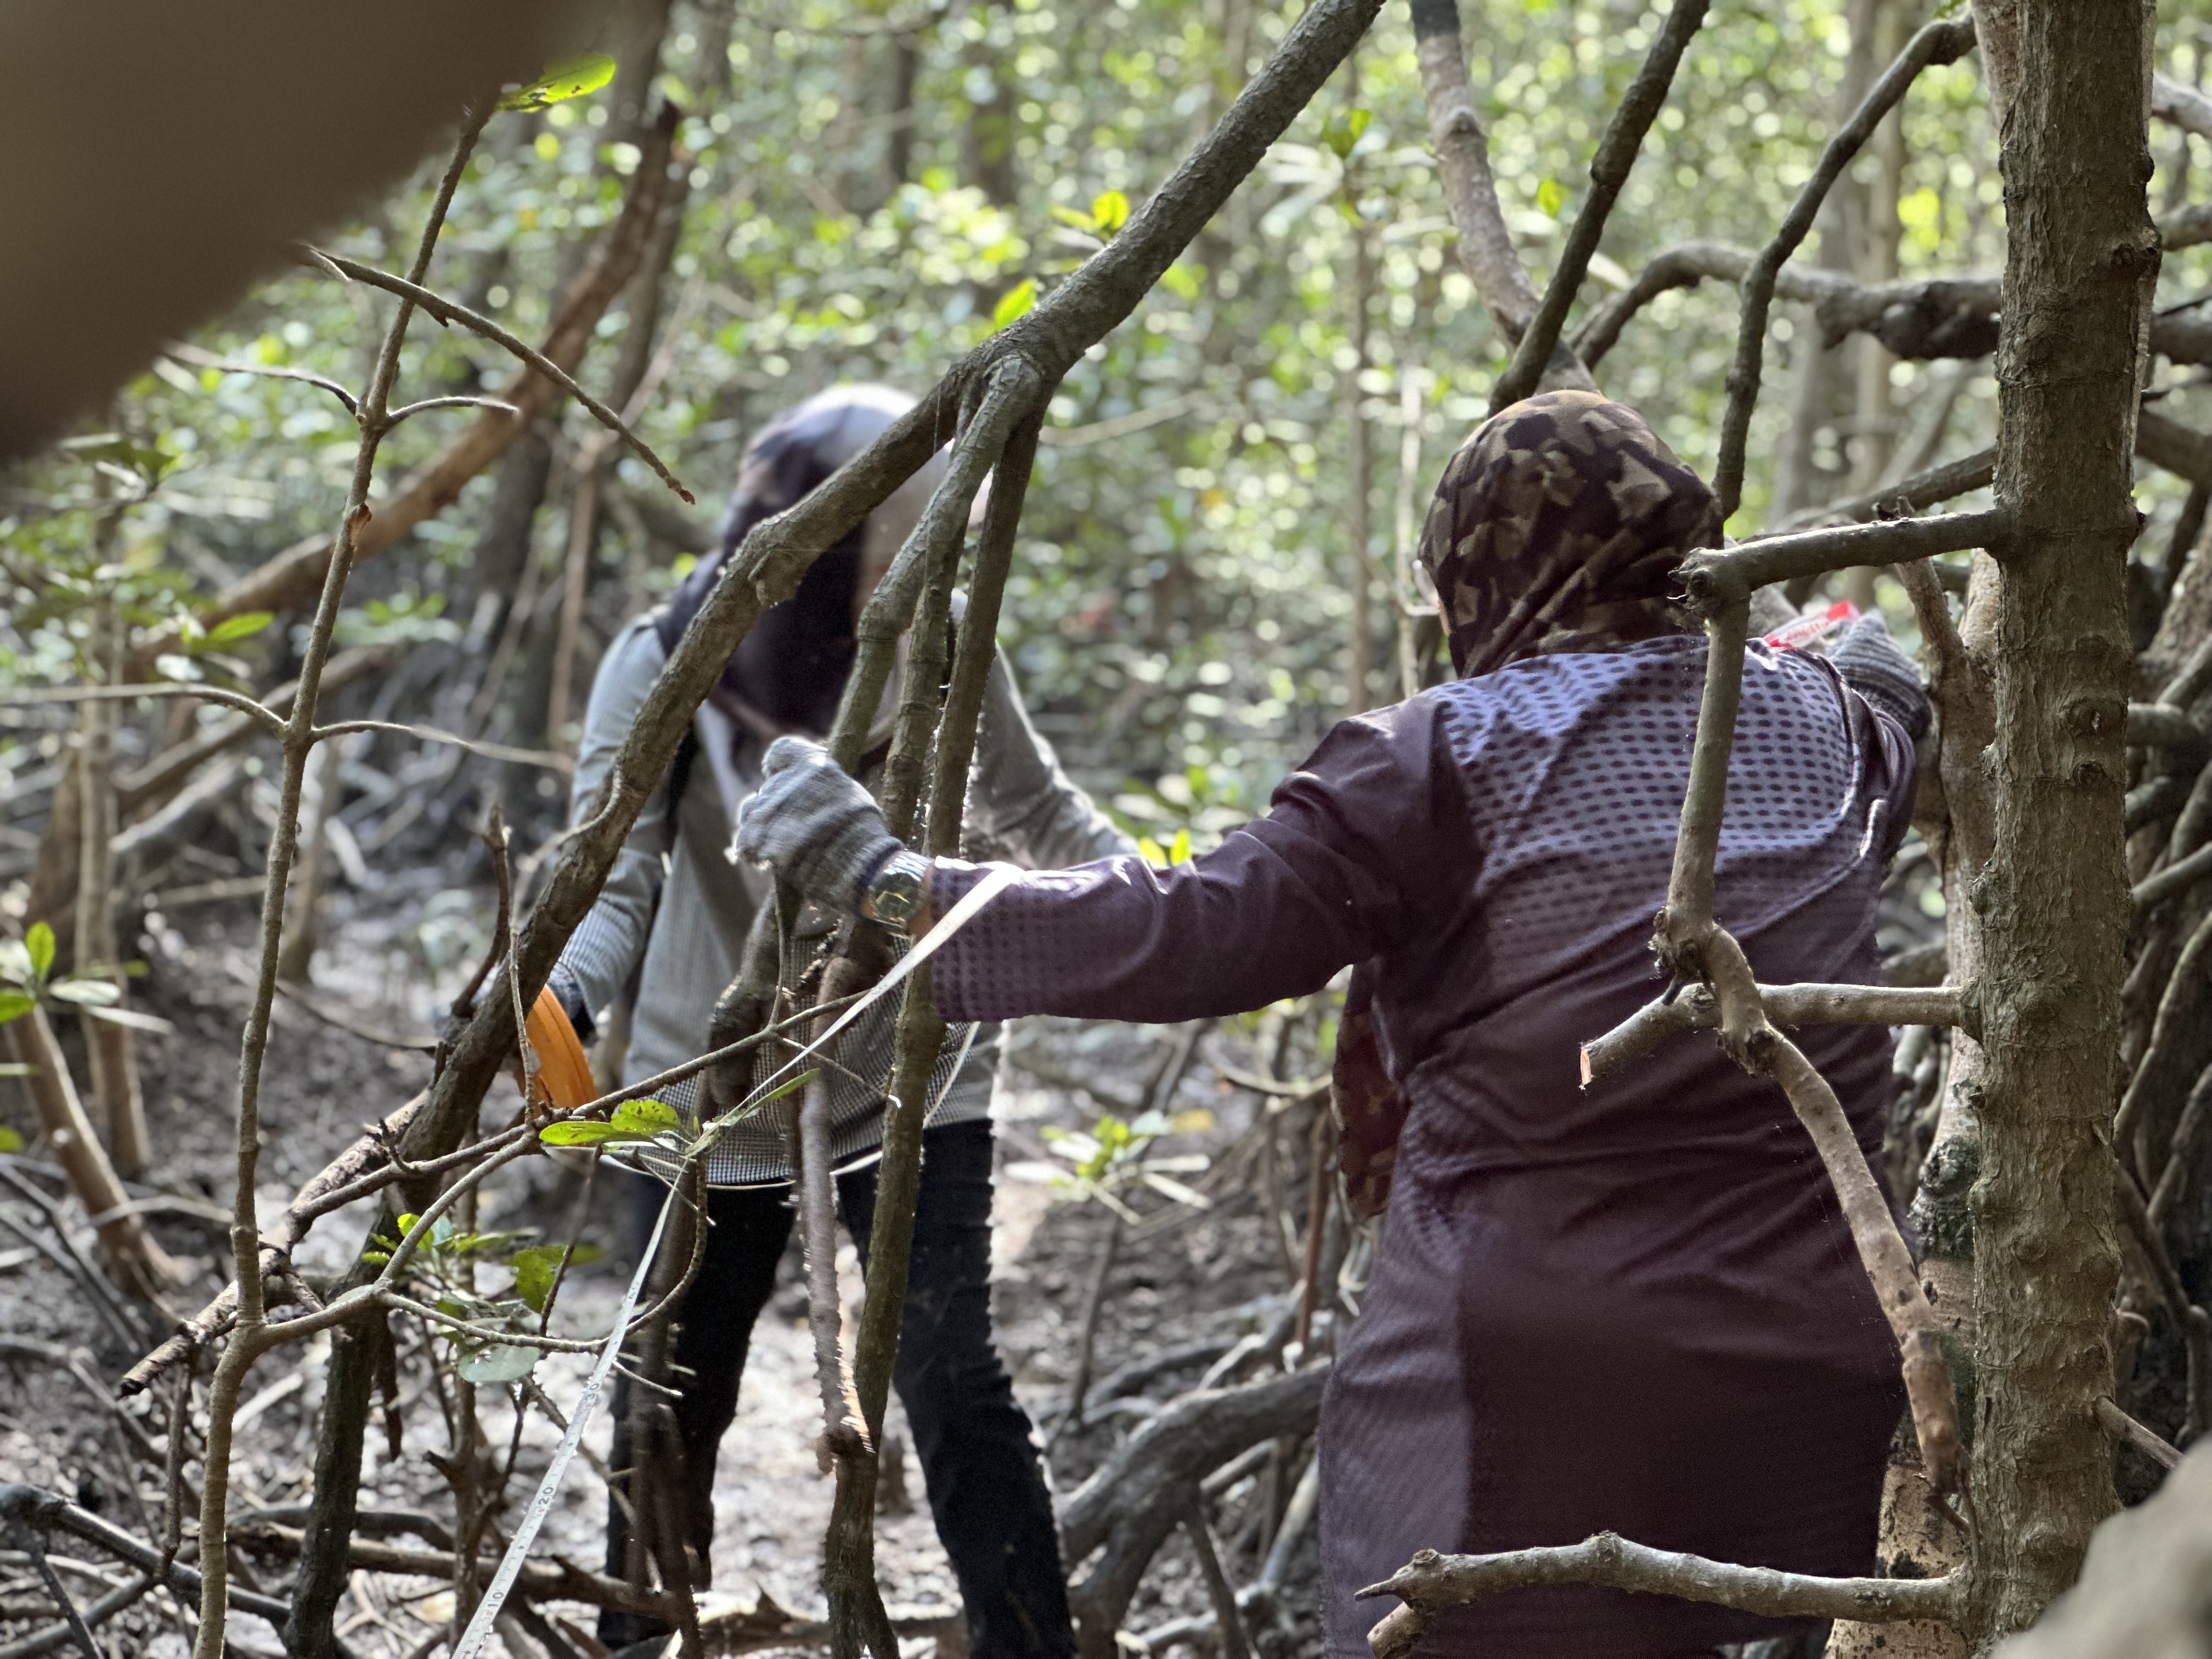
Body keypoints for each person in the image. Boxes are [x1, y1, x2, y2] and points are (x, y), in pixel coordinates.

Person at [733, 391, 1932, 1659]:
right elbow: (1884, 673)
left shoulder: (1437, 756)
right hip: (1825, 1386)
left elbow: (1189, 931)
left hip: (1530, 1394)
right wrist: (1835, 647)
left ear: (1484, 575)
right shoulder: (1829, 726)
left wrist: (885, 880)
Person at [548, 385, 1130, 1656]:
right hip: (705, 1087)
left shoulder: (944, 641)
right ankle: (646, 1635)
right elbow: (611, 881)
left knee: (953, 1384)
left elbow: (1041, 812)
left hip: (921, 1061)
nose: (897, 576)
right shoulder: (664, 657)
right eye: (882, 545)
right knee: (666, 1403)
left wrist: (1174, 909)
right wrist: (542, 998)